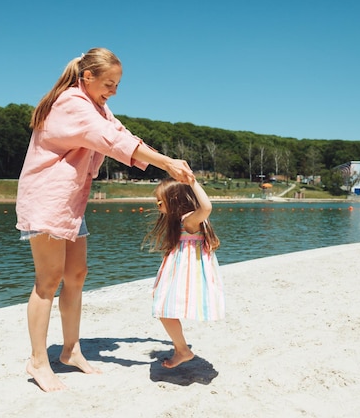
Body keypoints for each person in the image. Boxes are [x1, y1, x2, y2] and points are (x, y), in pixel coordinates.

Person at [15, 47, 194, 392]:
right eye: (109, 83)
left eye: (117, 84)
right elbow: (111, 140)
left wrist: (166, 158)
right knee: (48, 281)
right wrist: (166, 163)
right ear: (88, 77)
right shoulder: (71, 103)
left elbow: (121, 134)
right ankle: (38, 360)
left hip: (71, 202)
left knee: (77, 275)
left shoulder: (97, 106)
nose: (113, 90)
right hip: (47, 200)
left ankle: (70, 351)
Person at [144, 178, 225, 368]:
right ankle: (181, 349)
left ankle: (182, 350)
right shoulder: (181, 220)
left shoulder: (189, 220)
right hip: (181, 269)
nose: (157, 206)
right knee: (164, 308)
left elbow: (206, 208)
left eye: (159, 202)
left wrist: (193, 182)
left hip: (186, 271)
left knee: (163, 307)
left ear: (173, 199)